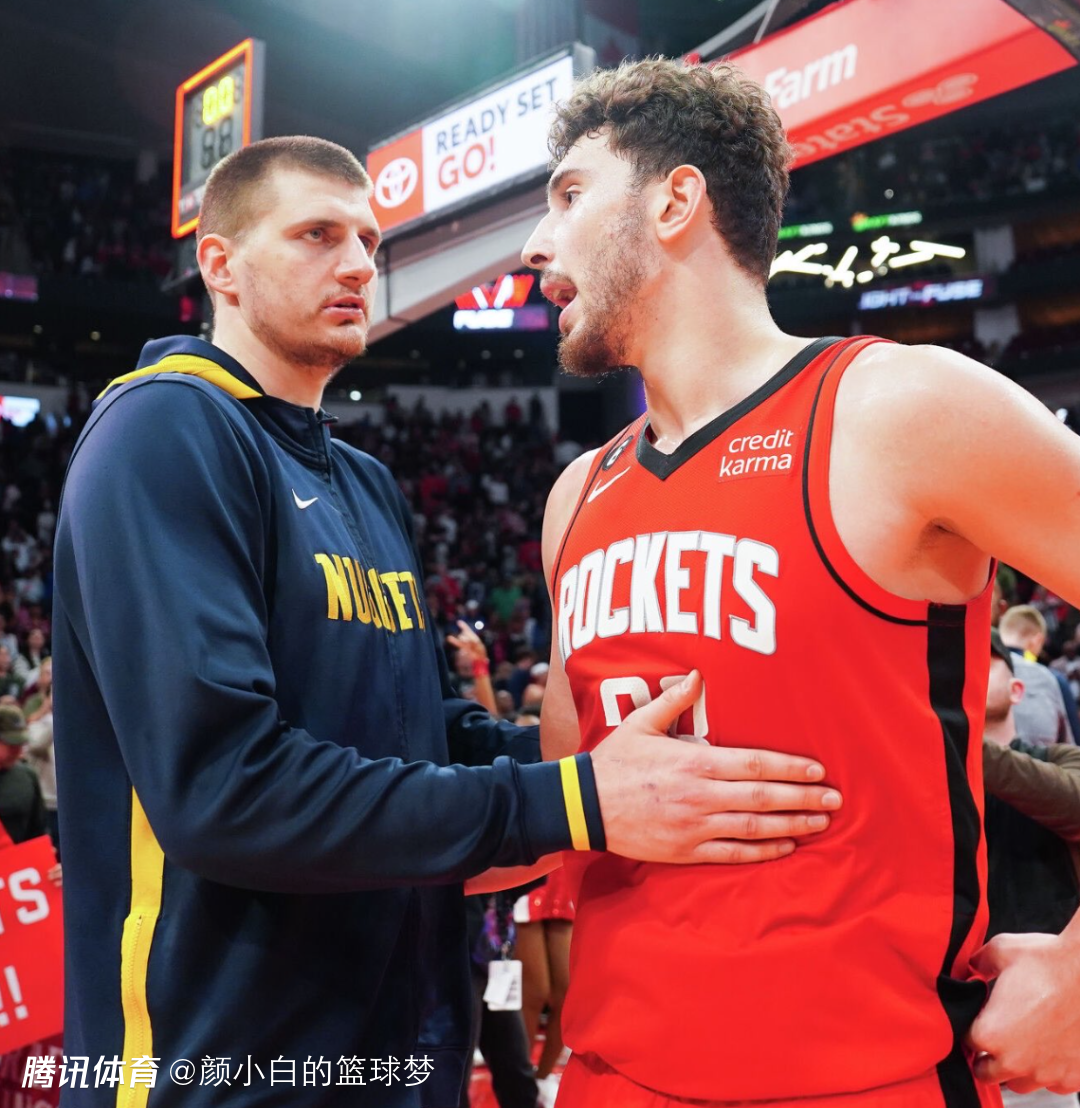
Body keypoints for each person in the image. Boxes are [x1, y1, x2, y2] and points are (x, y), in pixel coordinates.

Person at [51, 136, 841, 1108]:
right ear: (221, 265)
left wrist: (603, 755)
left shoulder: (360, 479)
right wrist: (575, 800)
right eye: (316, 235)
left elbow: (414, 731)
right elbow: (226, 790)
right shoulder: (163, 429)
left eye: (368, 242)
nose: (357, 264)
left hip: (391, 1057)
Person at [521, 57, 1080, 1106]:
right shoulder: (574, 495)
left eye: (568, 195)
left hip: (863, 1076)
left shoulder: (896, 408)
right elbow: (566, 793)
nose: (534, 245)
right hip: (609, 1072)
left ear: (676, 201)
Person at [982, 632, 1080, 1108]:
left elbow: (1070, 802)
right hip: (937, 1043)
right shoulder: (914, 770)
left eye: (984, 658)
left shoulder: (1061, 758)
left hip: (1042, 1048)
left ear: (1018, 688)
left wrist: (943, 733)